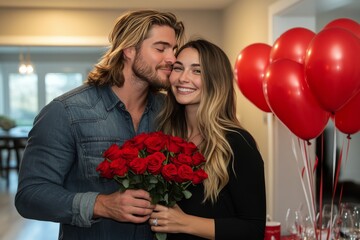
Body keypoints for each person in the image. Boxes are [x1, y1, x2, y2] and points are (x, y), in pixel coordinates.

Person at [15, 10, 185, 240]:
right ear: (129, 50)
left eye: (174, 49)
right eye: (161, 48)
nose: (172, 59)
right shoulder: (65, 112)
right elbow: (30, 196)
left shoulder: (170, 112)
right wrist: (102, 205)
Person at [149, 39, 266, 239]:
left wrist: (185, 223)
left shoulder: (237, 143)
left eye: (197, 71)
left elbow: (253, 229)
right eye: (178, 68)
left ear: (215, 80)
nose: (183, 78)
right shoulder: (165, 134)